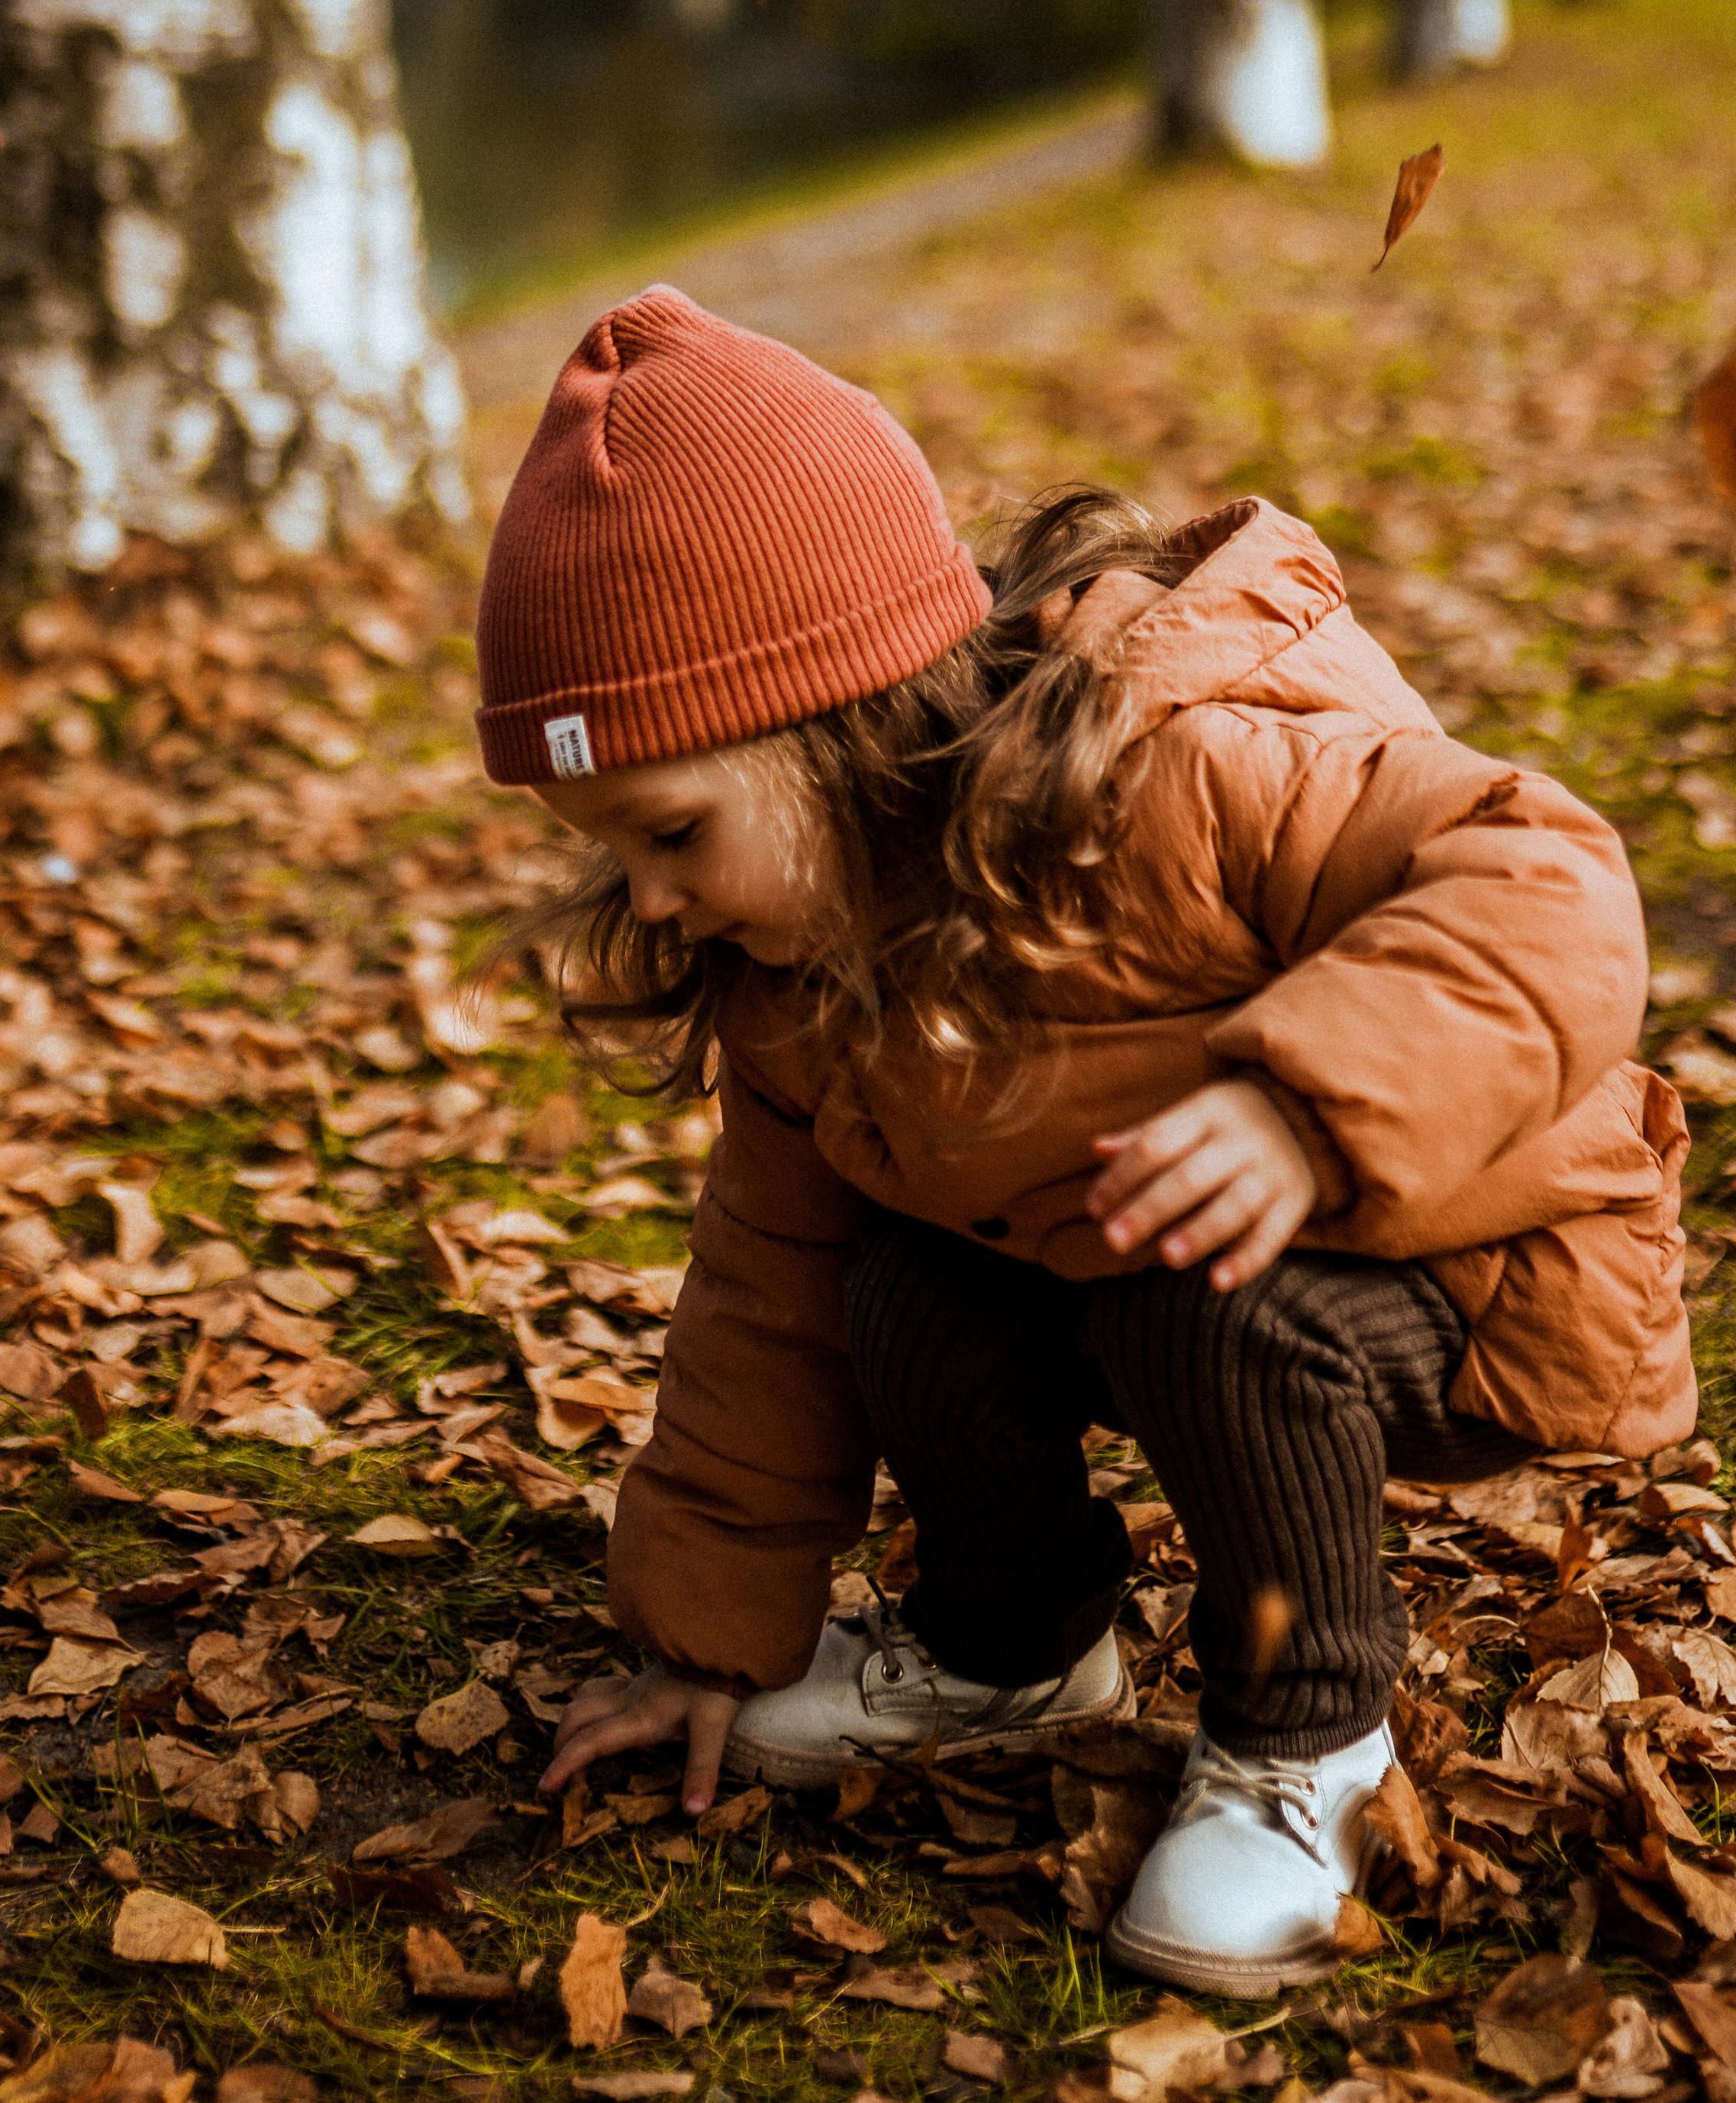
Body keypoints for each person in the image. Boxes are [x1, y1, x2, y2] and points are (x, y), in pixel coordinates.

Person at [476, 286, 1690, 1997]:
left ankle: (1306, 1747)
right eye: (613, 853)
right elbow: (766, 1294)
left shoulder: (1178, 774)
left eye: (670, 830)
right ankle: (1011, 1646)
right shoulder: (791, 978)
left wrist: (1302, 1101)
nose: (650, 898)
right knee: (898, 1287)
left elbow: (1547, 872)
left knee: (1204, 1300)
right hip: (1131, 1267)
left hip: (1466, 1274)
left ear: (839, 721)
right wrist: (702, 1637)